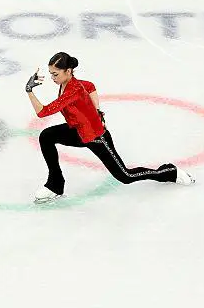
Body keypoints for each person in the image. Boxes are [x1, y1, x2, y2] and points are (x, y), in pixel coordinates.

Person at [25, 52, 194, 203]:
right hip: (77, 131)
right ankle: (55, 185)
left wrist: (29, 91)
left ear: (68, 71)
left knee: (126, 176)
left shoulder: (73, 90)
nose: (52, 78)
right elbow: (90, 86)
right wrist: (96, 110)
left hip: (96, 137)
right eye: (50, 74)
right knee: (46, 136)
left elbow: (43, 112)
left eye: (55, 74)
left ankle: (168, 172)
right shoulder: (67, 83)